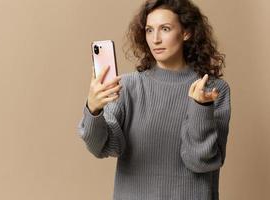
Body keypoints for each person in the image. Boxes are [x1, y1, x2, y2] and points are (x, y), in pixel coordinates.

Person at [77, 0, 231, 199]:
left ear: (186, 32)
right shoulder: (128, 86)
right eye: (149, 30)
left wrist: (201, 107)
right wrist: (93, 111)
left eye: (165, 29)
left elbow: (200, 161)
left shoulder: (213, 89)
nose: (155, 39)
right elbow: (102, 146)